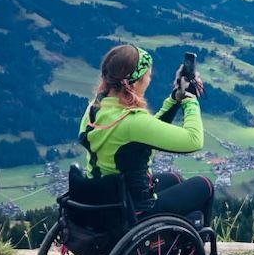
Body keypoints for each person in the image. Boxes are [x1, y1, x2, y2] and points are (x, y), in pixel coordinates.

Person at [77, 43, 214, 223]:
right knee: (204, 185)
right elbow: (194, 140)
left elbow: (144, 135)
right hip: (133, 211)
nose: (150, 80)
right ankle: (192, 245)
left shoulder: (94, 109)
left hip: (103, 203)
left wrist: (175, 100)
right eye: (148, 75)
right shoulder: (130, 121)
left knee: (175, 179)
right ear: (134, 82)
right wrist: (191, 101)